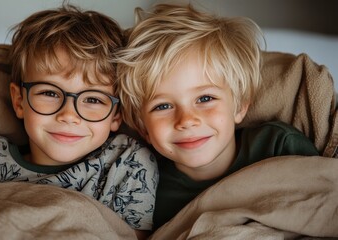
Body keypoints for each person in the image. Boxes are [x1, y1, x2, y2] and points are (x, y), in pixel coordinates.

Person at [0, 4, 158, 238]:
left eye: (93, 99)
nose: (69, 115)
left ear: (116, 115)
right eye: (49, 93)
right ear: (19, 101)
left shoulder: (125, 163)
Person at [116, 3, 319, 230]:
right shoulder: (146, 191)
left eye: (204, 99)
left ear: (240, 106)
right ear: (143, 127)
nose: (187, 120)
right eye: (162, 106)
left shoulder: (279, 145)